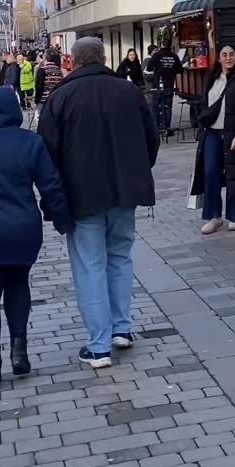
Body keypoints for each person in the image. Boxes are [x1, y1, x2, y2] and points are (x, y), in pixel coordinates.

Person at [38, 36, 159, 368]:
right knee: (120, 257)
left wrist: (54, 199)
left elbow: (46, 153)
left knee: (90, 265)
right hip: (125, 192)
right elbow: (152, 139)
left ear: (73, 61)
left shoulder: (60, 98)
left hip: (82, 196)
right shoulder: (129, 91)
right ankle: (122, 328)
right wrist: (136, 172)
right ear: (103, 58)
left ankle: (98, 345)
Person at [0, 87, 71, 388]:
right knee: (17, 283)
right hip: (23, 229)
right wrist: (62, 220)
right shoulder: (31, 143)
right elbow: (51, 185)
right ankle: (19, 348)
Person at [192, 45, 235, 235]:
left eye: (232, 54)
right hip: (211, 133)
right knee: (210, 173)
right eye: (224, 55)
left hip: (232, 134)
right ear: (218, 58)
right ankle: (214, 216)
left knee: (234, 173)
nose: (228, 58)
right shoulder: (212, 77)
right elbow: (205, 103)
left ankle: (234, 216)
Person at [149, 40, 182, 136]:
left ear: (160, 45)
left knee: (156, 106)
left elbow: (149, 68)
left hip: (158, 86)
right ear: (170, 45)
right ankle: (166, 127)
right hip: (169, 86)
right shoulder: (174, 56)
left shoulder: (156, 55)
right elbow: (179, 69)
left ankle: (156, 128)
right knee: (168, 107)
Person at [34, 48, 63, 115]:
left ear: (45, 58)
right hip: (56, 100)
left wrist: (37, 100)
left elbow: (39, 87)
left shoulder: (42, 70)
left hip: (44, 101)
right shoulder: (59, 70)